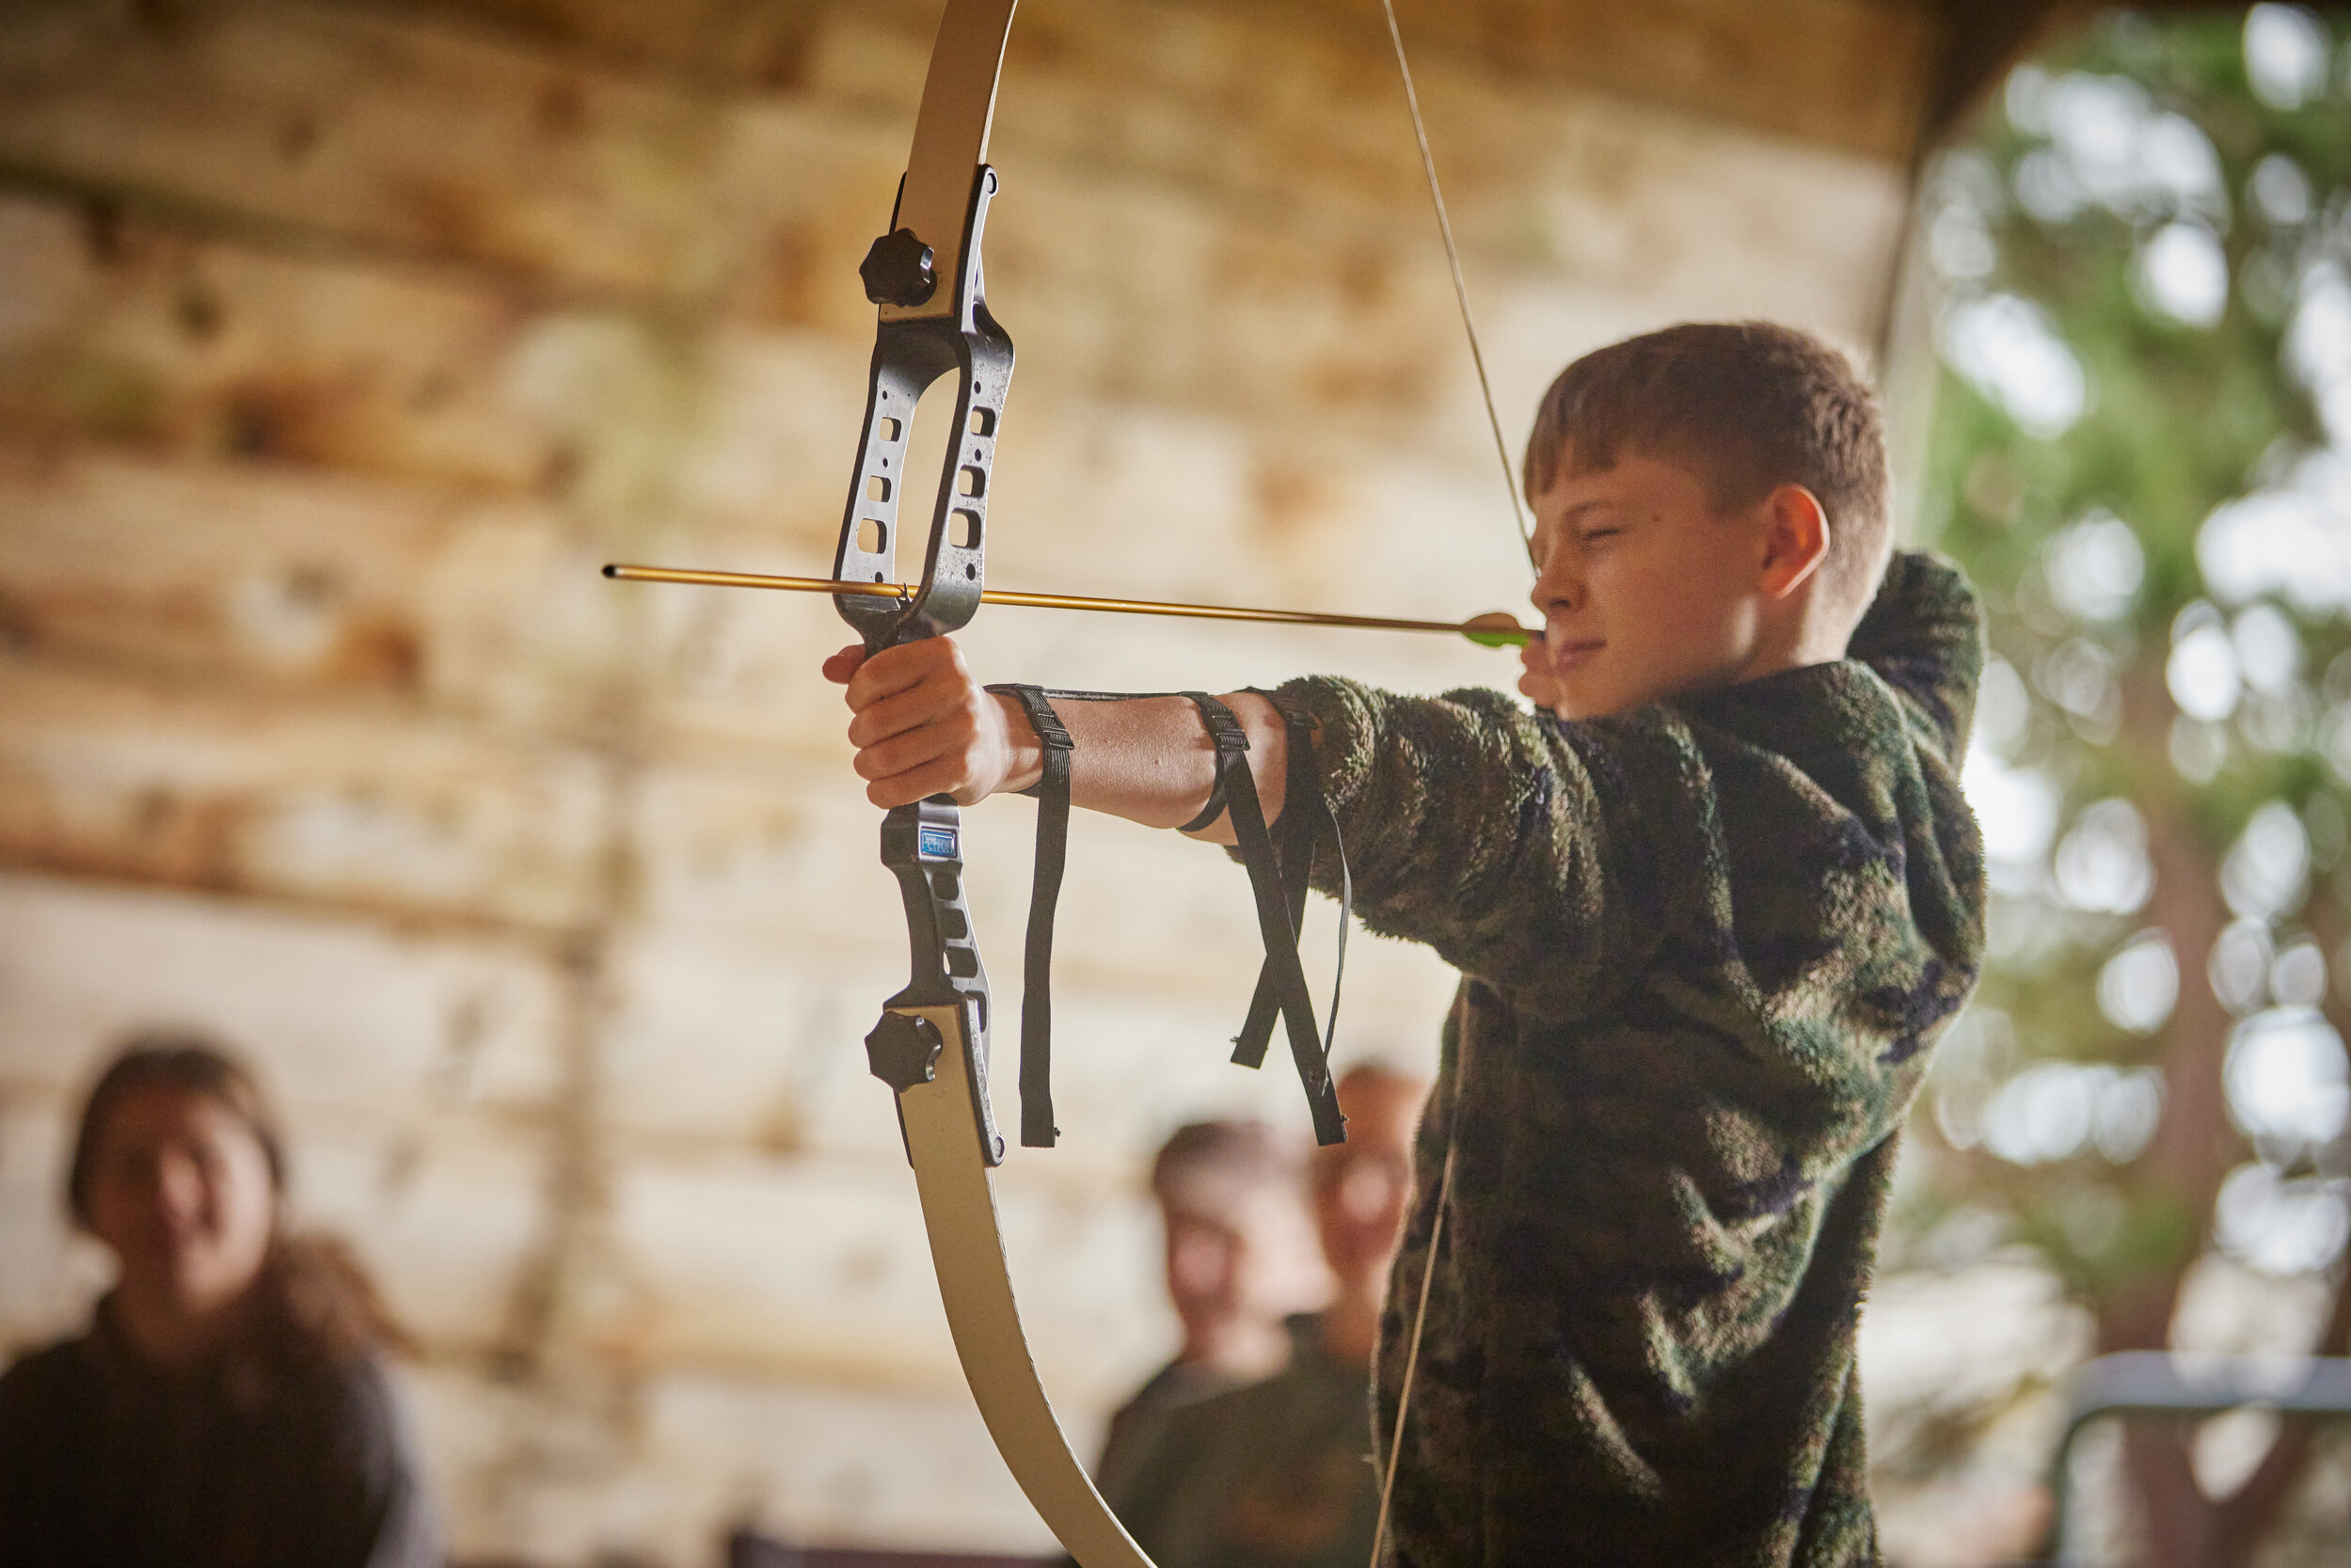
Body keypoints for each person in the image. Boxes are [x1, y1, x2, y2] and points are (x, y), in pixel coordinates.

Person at [827, 320, 1986, 1564]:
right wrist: (1644, 624)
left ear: (1778, 539)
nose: (1546, 585)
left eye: (1597, 532)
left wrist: (1013, 740)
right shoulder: (1895, 804)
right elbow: (1921, 603)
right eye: (1542, 547)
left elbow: (1386, 779)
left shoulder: (1652, 829)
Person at [0, 1034, 439, 1568]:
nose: (169, 1192)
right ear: (85, 1201)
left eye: (203, 1158)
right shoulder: (35, 1408)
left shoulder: (340, 1411)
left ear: (271, 1186)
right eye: (134, 1165)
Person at [1107, 1064, 1430, 1568]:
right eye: (1334, 1169)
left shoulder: (1465, 1420)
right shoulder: (1185, 1425)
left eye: (1391, 1165)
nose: (1354, 1200)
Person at [1089, 1118, 1317, 1547]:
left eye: (1222, 1236)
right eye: (1174, 1232)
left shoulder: (1345, 1408)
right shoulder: (1144, 1415)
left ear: (1302, 1237)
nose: (1186, 1271)